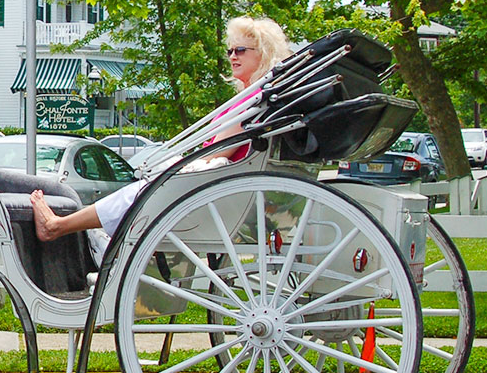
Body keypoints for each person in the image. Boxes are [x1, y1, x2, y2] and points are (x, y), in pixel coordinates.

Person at [29, 16, 293, 254]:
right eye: (230, 50)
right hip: (231, 185)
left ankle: (58, 226)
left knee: (142, 190)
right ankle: (109, 240)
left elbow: (219, 151)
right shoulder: (256, 97)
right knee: (142, 189)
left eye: (241, 50)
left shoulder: (252, 100)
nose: (232, 56)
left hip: (220, 184)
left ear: (264, 53)